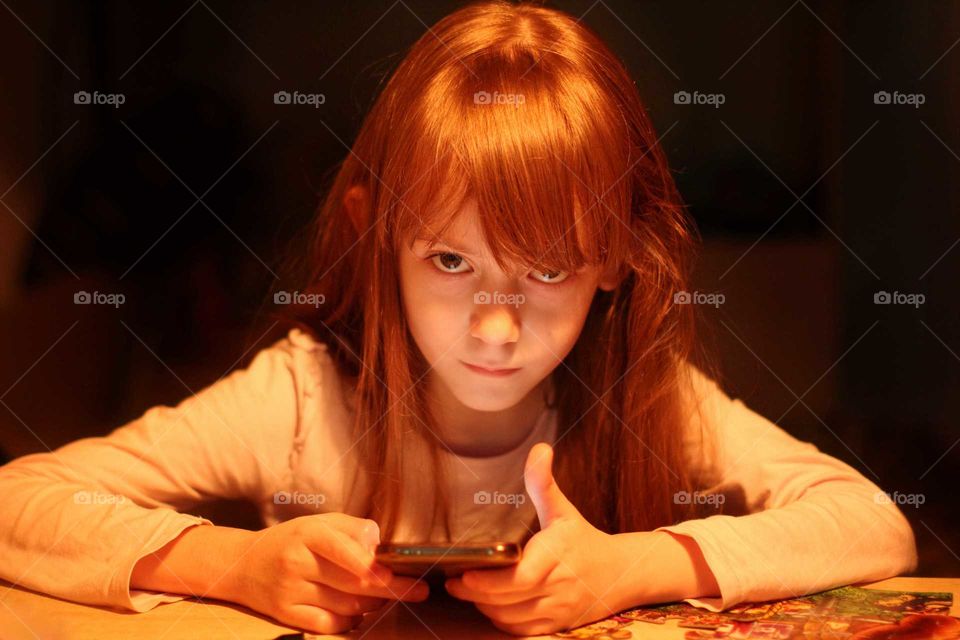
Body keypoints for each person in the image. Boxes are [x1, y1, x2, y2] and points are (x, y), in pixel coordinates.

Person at [0, 1, 916, 636]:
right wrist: (230, 565)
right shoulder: (302, 397)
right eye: (450, 262)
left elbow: (874, 522)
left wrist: (635, 567)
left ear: (613, 260)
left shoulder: (645, 393)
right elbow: (19, 499)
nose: (495, 328)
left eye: (546, 269)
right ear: (377, 238)